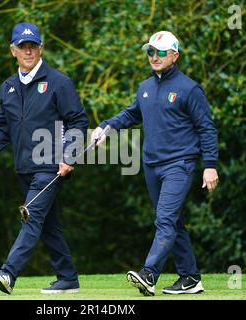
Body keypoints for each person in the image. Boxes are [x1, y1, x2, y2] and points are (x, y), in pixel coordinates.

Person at [0, 22, 89, 295]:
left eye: (33, 46)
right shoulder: (7, 87)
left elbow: (78, 120)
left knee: (30, 217)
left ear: (41, 48)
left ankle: (8, 272)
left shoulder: (59, 83)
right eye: (22, 46)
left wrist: (70, 155)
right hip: (24, 167)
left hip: (51, 166)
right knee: (47, 224)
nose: (28, 51)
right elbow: (2, 129)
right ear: (13, 50)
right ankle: (67, 277)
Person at [91, 31, 219, 296]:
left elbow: (207, 129)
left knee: (164, 220)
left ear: (175, 55)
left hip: (179, 164)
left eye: (161, 52)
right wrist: (106, 126)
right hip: (152, 165)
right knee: (173, 222)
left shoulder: (189, 88)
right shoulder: (145, 88)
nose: (154, 57)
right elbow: (131, 114)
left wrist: (210, 165)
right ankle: (191, 278)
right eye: (150, 51)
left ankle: (149, 273)